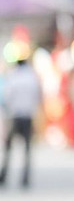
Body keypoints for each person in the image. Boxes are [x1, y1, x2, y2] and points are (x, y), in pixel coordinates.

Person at [1, 55, 42, 188]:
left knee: (8, 148)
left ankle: (4, 174)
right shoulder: (32, 78)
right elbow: (37, 97)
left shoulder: (13, 77)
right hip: (27, 116)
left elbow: (7, 96)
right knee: (27, 149)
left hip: (14, 115)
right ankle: (25, 177)